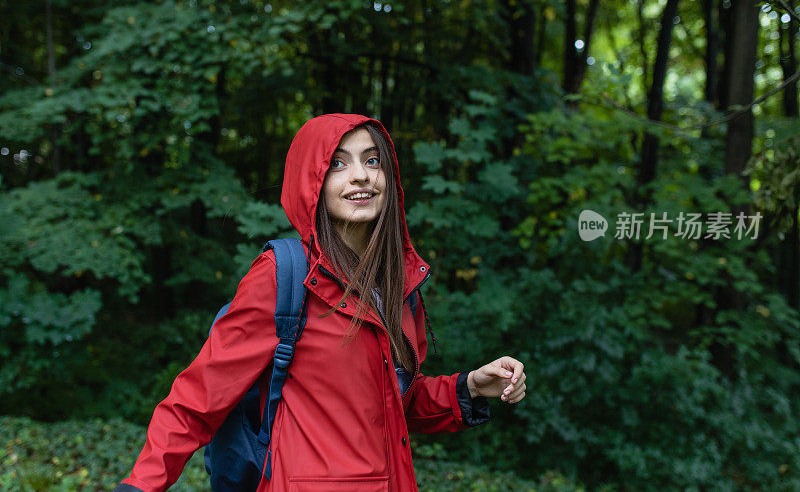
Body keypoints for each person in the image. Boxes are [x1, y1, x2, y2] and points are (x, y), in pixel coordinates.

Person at [114, 113, 527, 492]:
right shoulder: (283, 276)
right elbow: (197, 400)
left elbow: (391, 403)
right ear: (311, 180)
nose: (361, 177)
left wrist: (470, 388)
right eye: (338, 164)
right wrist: (139, 487)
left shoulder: (398, 285)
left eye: (372, 161)